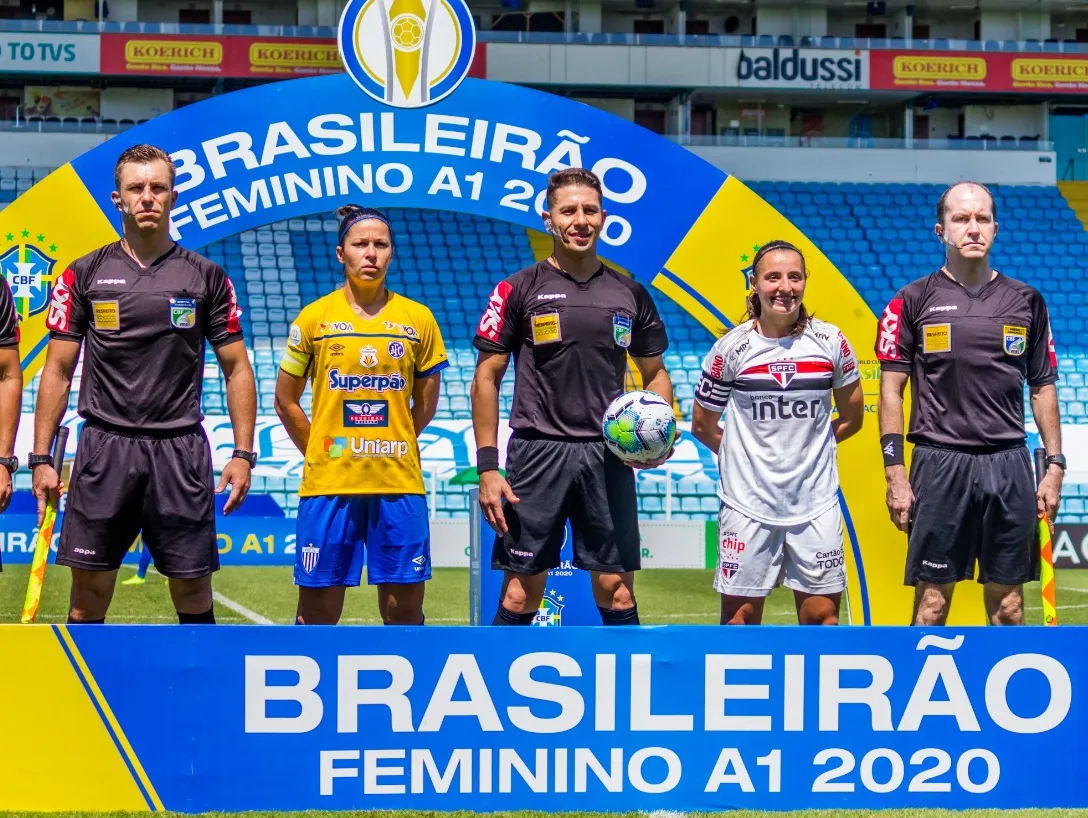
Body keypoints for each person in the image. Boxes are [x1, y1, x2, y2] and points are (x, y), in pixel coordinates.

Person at [32, 143, 257, 625]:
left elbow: (238, 368)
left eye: (158, 187)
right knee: (87, 594)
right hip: (103, 449)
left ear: (174, 196)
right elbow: (56, 370)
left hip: (179, 450)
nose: (148, 197)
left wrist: (242, 453)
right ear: (118, 198)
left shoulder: (206, 277)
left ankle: (199, 699)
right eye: (137, 188)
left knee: (194, 591)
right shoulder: (83, 273)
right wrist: (40, 460)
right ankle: (83, 698)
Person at [471, 167, 676, 627]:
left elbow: (655, 374)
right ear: (549, 219)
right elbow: (487, 377)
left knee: (617, 592)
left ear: (603, 217)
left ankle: (627, 695)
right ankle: (499, 690)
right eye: (568, 211)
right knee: (522, 592)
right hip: (537, 452)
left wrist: (660, 434)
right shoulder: (518, 288)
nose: (580, 219)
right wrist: (488, 466)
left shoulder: (630, 292)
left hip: (608, 457)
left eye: (589, 210)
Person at [876, 180, 1064, 626]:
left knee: (1010, 607)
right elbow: (889, 391)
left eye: (982, 219)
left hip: (1008, 464)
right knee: (932, 605)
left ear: (996, 229)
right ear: (940, 230)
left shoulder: (1028, 301)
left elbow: (1042, 388)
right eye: (961, 218)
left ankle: (1007, 696)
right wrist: (895, 472)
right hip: (939, 465)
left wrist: (1054, 466)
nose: (973, 228)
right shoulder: (910, 301)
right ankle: (918, 693)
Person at [275, 204, 447, 626]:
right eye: (360, 244)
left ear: (391, 253)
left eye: (380, 244)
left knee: (404, 615)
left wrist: (394, 439)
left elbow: (424, 405)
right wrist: (323, 447)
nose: (370, 253)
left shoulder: (418, 319)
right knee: (317, 617)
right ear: (341, 253)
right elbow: (285, 400)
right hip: (329, 485)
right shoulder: (314, 318)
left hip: (398, 482)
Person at [691, 240, 864, 625]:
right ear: (754, 283)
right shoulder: (730, 350)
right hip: (746, 505)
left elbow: (853, 418)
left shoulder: (831, 342)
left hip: (815, 504)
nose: (784, 287)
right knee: (740, 624)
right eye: (773, 277)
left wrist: (809, 451)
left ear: (805, 282)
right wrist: (744, 458)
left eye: (794, 277)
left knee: (823, 622)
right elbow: (702, 425)